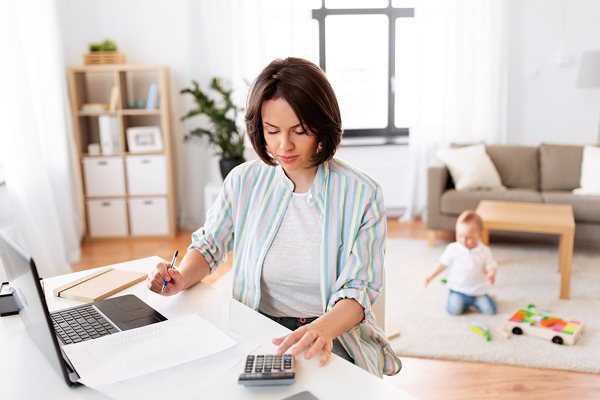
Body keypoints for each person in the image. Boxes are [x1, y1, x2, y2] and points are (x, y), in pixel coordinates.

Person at [146, 57, 401, 377]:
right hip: (255, 323)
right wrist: (181, 277)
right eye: (273, 131)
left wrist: (321, 331)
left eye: (300, 130)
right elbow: (210, 245)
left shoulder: (363, 194)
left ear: (322, 126)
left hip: (331, 333)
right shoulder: (243, 181)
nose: (285, 145)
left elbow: (359, 290)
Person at [424, 210, 497, 315]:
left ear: (480, 235)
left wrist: (491, 274)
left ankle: (479, 301)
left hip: (478, 291)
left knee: (491, 311)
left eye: (468, 238)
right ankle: (465, 302)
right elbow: (442, 264)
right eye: (460, 236)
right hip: (458, 290)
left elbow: (491, 266)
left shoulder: (484, 251)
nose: (463, 240)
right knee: (454, 311)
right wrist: (431, 275)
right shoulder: (453, 249)